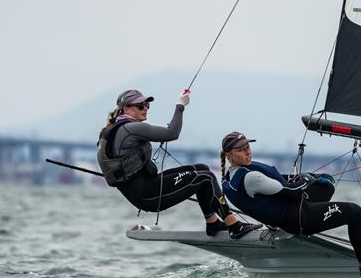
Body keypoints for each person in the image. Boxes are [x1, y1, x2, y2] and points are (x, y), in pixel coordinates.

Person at [219, 131, 361, 278]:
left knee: (324, 186)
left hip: (287, 212)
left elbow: (277, 181)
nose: (247, 152)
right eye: (241, 150)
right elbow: (291, 191)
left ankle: (310, 218)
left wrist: (312, 177)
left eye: (248, 147)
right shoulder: (250, 177)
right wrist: (305, 178)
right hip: (297, 218)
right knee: (354, 212)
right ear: (228, 155)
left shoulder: (230, 178)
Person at [97, 89, 255, 238]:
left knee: (201, 169)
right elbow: (172, 133)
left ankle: (212, 223)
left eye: (147, 105)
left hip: (144, 188)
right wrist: (180, 106)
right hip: (147, 194)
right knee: (204, 177)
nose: (145, 108)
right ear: (126, 109)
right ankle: (234, 226)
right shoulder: (131, 128)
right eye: (140, 106)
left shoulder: (115, 129)